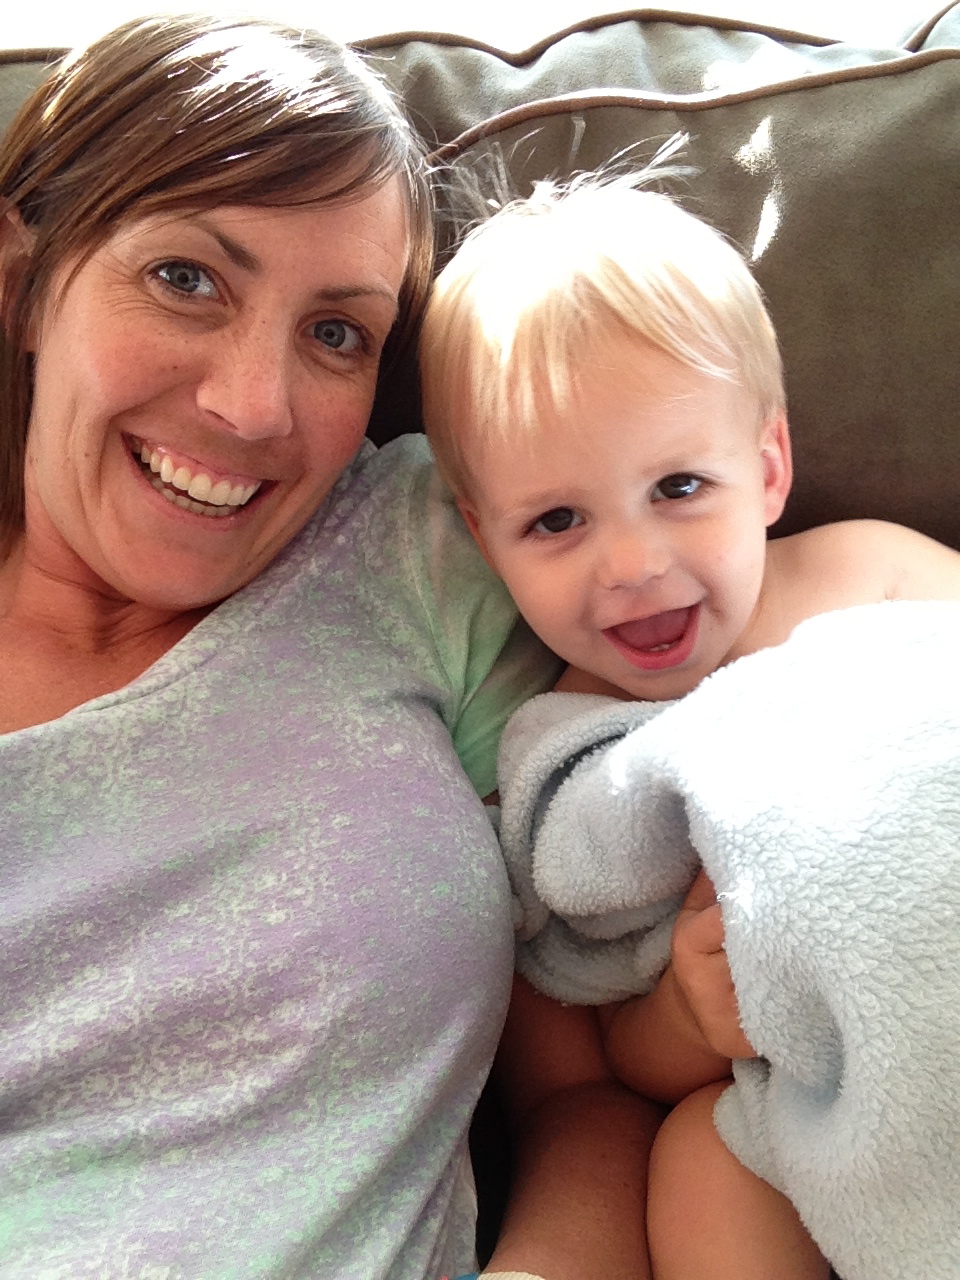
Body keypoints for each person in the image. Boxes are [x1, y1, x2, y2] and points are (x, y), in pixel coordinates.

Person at [0, 20, 662, 1279]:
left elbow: (589, 1094)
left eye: (337, 334)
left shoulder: (422, 549)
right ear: (24, 282)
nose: (253, 405)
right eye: (187, 277)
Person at [419, 173, 960, 1279]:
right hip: (834, 1099)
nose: (632, 564)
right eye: (556, 519)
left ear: (766, 469)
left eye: (677, 487)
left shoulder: (875, 569)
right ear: (484, 537)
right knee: (698, 1164)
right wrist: (680, 1013)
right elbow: (601, 1066)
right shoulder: (565, 766)